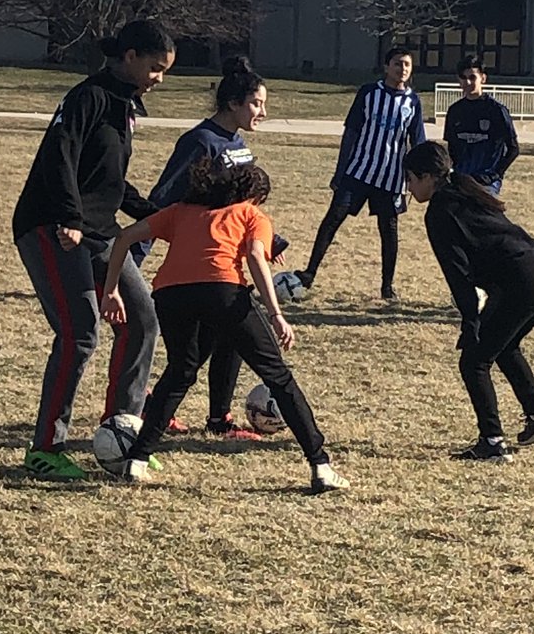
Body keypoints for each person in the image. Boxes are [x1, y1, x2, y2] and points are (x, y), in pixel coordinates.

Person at [100, 158, 348, 494]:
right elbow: (256, 256)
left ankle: (137, 460)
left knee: (179, 373)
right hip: (223, 291)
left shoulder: (183, 211)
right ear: (255, 197)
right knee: (277, 376)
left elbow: (126, 236)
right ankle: (321, 465)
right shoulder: (251, 214)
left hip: (171, 295)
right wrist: (276, 314)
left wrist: (112, 289)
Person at [13, 19, 176, 479]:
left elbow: (107, 177)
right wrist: (68, 218)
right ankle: (46, 448)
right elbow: (59, 155)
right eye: (155, 68)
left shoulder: (126, 105)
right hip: (52, 226)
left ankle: (123, 431)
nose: (159, 78)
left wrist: (154, 215)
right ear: (129, 57)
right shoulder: (88, 97)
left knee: (143, 319)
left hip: (100, 231)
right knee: (80, 331)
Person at [134, 55, 286, 441]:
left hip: (230, 263)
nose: (263, 112)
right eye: (256, 103)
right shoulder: (199, 141)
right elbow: (163, 198)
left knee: (224, 340)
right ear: (233, 103)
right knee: (195, 350)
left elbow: (241, 200)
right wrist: (137, 254)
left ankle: (217, 416)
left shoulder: (237, 142)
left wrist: (270, 239)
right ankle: (159, 409)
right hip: (201, 263)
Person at [404, 141, 534, 463]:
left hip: (522, 283)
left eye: (410, 179)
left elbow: (457, 273)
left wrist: (470, 320)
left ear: (427, 177)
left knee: (474, 362)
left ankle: (492, 441)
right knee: (503, 346)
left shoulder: (440, 211)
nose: (408, 187)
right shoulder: (463, 191)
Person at [295, 45, 426, 300]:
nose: (402, 69)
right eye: (398, 63)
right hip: (358, 172)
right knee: (332, 219)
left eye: (407, 65)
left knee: (389, 231)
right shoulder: (369, 93)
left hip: (389, 179)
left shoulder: (413, 101)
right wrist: (340, 171)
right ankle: (309, 273)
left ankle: (387, 288)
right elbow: (351, 132)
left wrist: (415, 177)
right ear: (387, 66)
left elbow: (417, 142)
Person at [443, 53, 519, 194]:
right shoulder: (455, 111)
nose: (468, 83)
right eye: (463, 78)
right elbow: (452, 148)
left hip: (486, 183)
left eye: (472, 77)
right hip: (462, 180)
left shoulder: (496, 111)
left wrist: (495, 174)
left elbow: (513, 148)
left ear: (483, 78)